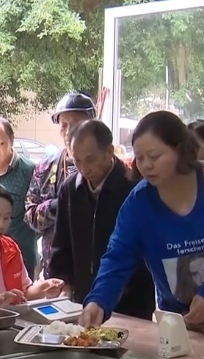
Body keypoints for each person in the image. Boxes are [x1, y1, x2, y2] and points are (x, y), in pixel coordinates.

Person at [77, 111, 204, 341]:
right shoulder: (139, 203)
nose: (146, 165)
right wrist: (99, 300)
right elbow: (118, 256)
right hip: (179, 321)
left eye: (154, 156)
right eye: (140, 158)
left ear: (180, 149)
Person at [47, 120, 156, 320]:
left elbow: (143, 251)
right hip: (81, 300)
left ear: (109, 152)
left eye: (90, 160)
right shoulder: (70, 189)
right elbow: (61, 244)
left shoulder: (133, 188)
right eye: (77, 160)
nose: (84, 168)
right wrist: (63, 282)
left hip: (131, 301)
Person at [25, 91, 96, 278]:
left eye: (76, 124)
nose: (69, 131)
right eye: (64, 125)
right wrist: (58, 205)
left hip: (99, 271)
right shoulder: (46, 167)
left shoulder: (107, 166)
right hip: (56, 272)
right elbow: (31, 217)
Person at [0, 116, 39, 277]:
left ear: (12, 140)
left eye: (1, 143)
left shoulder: (29, 170)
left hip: (20, 260)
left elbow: (38, 216)